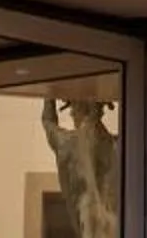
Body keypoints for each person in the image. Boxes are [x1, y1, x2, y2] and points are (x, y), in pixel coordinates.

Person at [40, 95, 121, 238]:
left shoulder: (68, 143)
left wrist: (49, 95)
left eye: (74, 109)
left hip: (94, 216)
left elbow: (48, 122)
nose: (71, 114)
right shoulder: (118, 146)